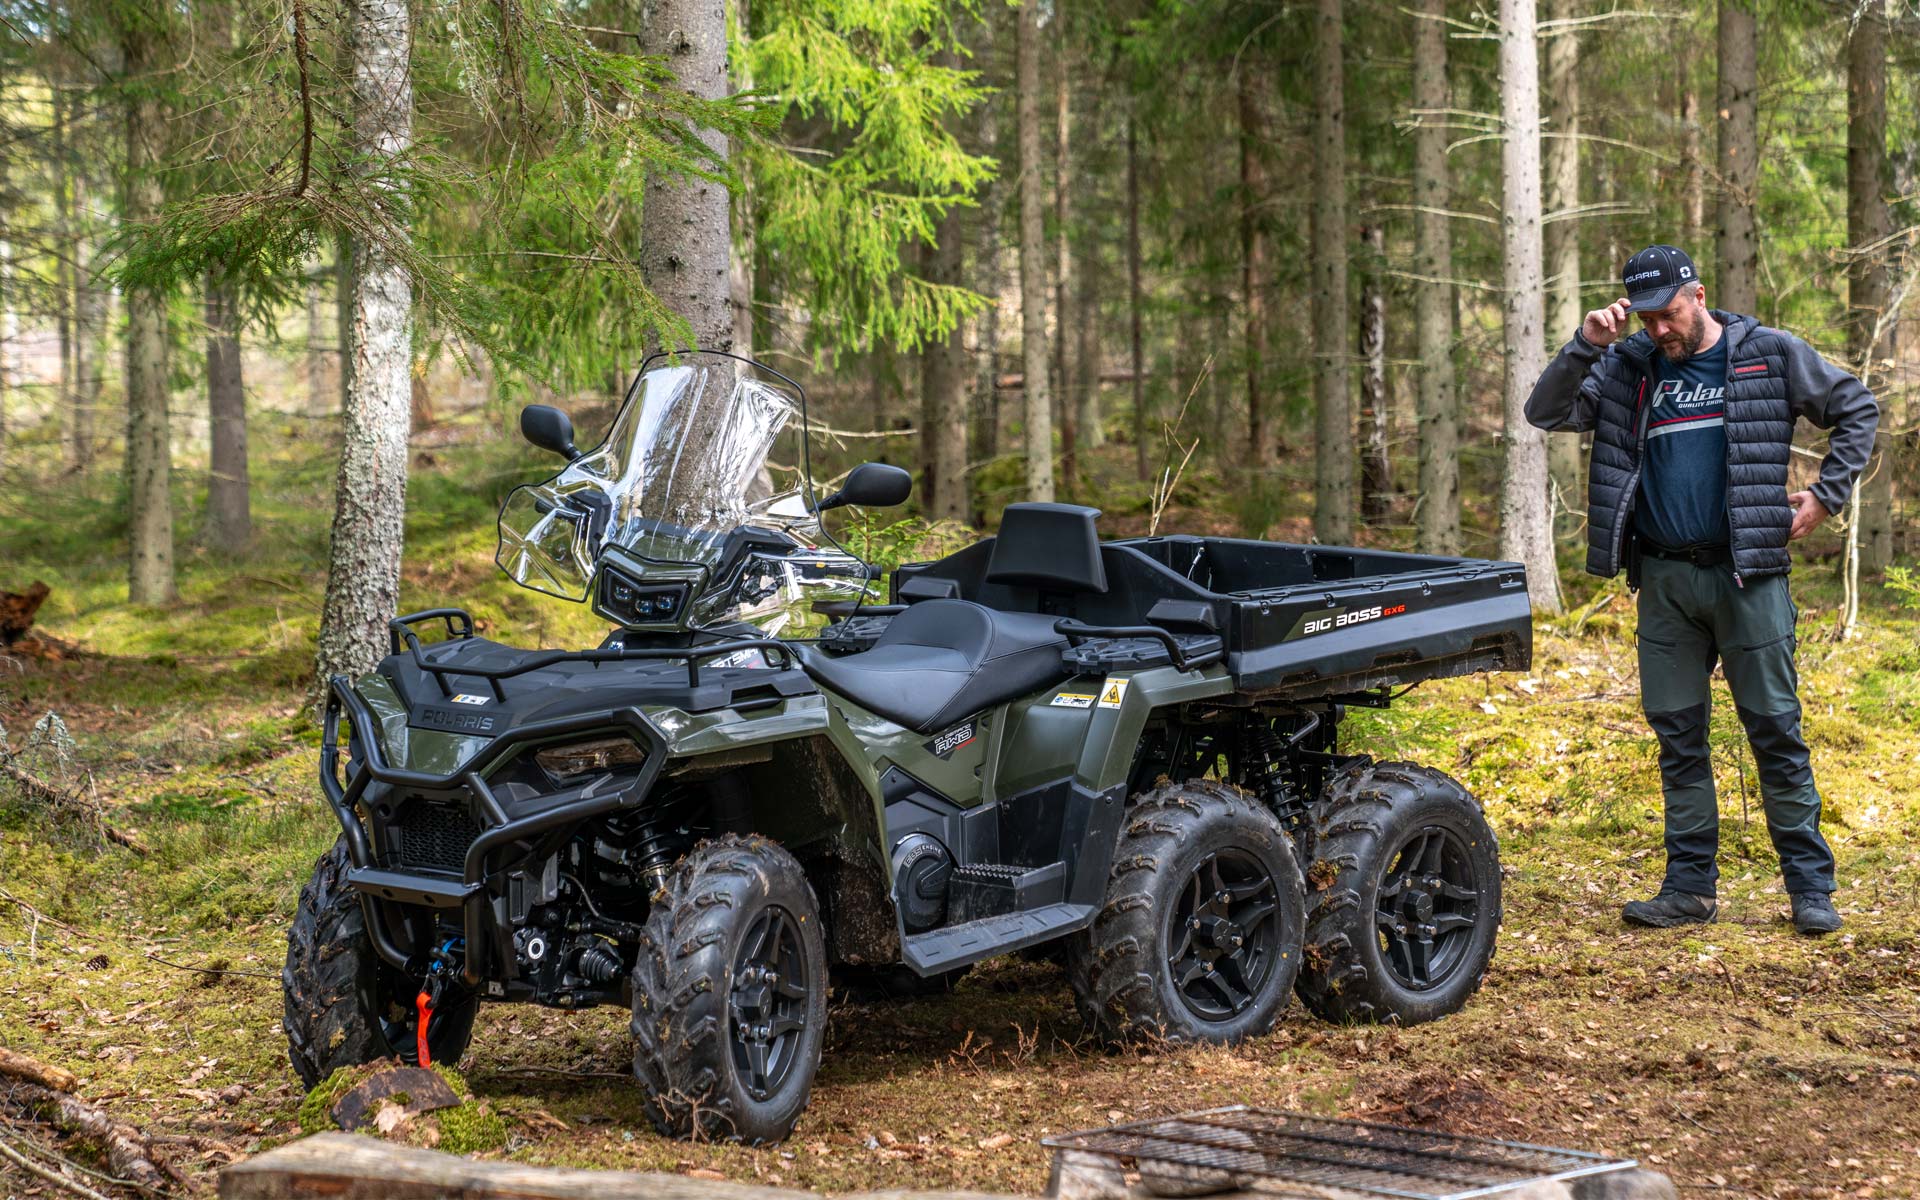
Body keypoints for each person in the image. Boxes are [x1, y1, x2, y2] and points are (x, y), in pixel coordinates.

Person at [1524, 244, 1878, 936]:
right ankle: (1689, 889)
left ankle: (1810, 888)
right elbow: (1546, 412)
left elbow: (1855, 407)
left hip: (1748, 575)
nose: (1660, 329)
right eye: (1647, 319)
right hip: (1664, 582)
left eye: (1669, 314)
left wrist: (1826, 495)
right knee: (1679, 737)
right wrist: (1586, 345)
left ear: (1699, 295)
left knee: (1775, 731)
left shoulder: (1768, 354)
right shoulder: (1627, 368)